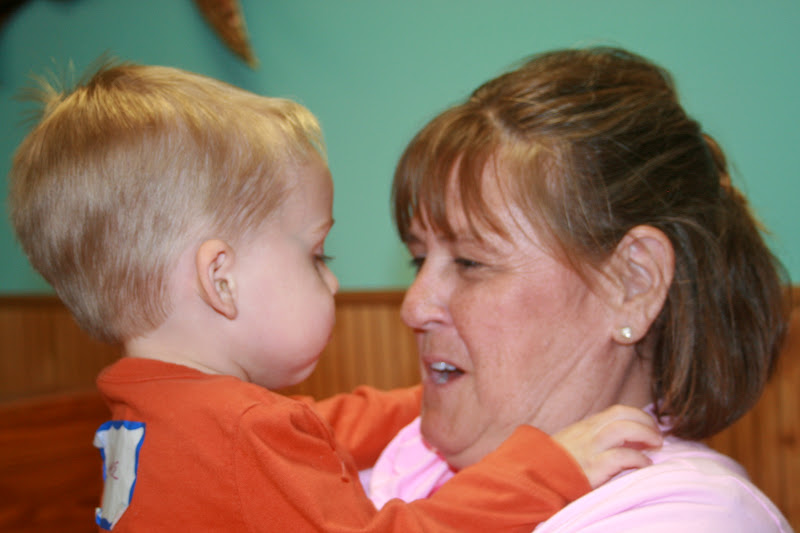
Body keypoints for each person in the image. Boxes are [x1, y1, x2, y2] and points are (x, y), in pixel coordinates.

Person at [7, 61, 663, 532]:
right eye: (316, 255)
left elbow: (323, 426)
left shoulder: (159, 411)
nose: (334, 282)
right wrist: (547, 466)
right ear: (221, 279)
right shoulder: (242, 432)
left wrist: (458, 391)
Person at [364, 47, 793, 532]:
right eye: (418, 259)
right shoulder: (401, 462)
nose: (414, 307)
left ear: (633, 284)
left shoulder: (689, 518)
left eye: (470, 262)